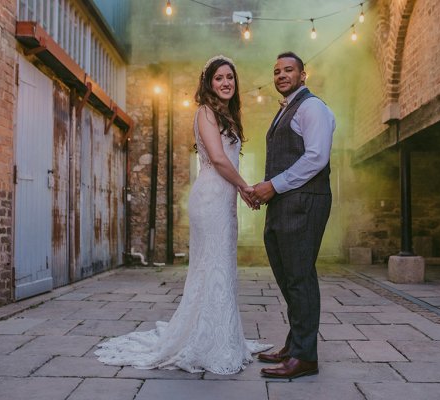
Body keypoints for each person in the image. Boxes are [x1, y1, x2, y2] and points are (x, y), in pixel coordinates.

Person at [95, 55, 271, 375]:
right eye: (219, 78)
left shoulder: (228, 116)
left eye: (230, 77)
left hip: (224, 198)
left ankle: (222, 334)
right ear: (208, 83)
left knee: (221, 266)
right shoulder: (205, 112)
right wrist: (246, 188)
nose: (226, 82)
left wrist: (239, 192)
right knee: (212, 265)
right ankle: (207, 340)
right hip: (210, 198)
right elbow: (217, 159)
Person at [248, 51, 335, 379]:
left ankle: (305, 357)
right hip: (287, 199)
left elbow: (316, 158)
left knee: (299, 276)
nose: (281, 75)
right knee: (287, 273)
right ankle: (295, 343)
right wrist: (267, 188)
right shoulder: (287, 108)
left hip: (305, 201)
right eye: (276, 71)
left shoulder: (312, 107)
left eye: (288, 70)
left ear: (303, 74)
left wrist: (274, 185)